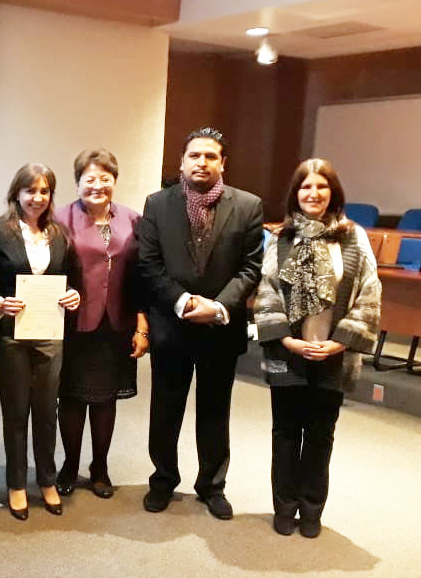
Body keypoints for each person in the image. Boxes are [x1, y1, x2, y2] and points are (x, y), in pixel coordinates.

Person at [138, 127, 263, 520]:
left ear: (223, 163)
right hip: (171, 325)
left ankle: (212, 485)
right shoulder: (157, 204)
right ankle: (162, 480)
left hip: (220, 328)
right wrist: (182, 300)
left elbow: (251, 267)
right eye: (195, 155)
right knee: (165, 408)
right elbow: (148, 263)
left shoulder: (248, 205)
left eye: (210, 156)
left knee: (214, 410)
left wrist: (219, 306)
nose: (202, 163)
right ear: (182, 161)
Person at [254, 158, 381, 538]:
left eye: (321, 187)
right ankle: (284, 506)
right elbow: (267, 292)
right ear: (295, 194)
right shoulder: (281, 238)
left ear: (333, 193)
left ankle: (311, 510)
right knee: (286, 433)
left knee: (321, 435)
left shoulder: (352, 236)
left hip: (334, 355)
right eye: (305, 187)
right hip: (287, 353)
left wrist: (339, 342)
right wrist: (288, 339)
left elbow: (370, 293)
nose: (313, 193)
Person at [0, 163, 81, 520]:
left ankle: (47, 480)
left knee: (46, 410)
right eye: (30, 191)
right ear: (17, 193)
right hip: (10, 334)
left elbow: (74, 281)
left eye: (44, 192)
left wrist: (74, 295)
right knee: (15, 411)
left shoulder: (60, 233)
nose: (37, 198)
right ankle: (16, 484)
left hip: (49, 333)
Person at [54, 149, 149, 499]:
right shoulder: (59, 218)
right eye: (89, 179)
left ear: (114, 181)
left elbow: (141, 275)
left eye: (104, 178)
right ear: (77, 182)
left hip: (117, 322)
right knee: (73, 398)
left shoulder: (133, 219)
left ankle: (100, 468)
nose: (97, 185)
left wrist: (142, 326)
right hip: (75, 322)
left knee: (106, 399)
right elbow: (46, 266)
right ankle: (69, 465)